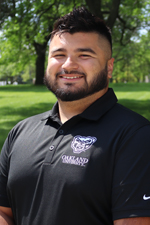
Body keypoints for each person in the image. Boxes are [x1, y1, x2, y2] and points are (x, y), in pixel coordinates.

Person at [0, 7, 150, 225]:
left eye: (84, 55)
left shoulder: (135, 136)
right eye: (59, 55)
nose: (68, 65)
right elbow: (4, 211)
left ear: (109, 67)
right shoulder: (20, 132)